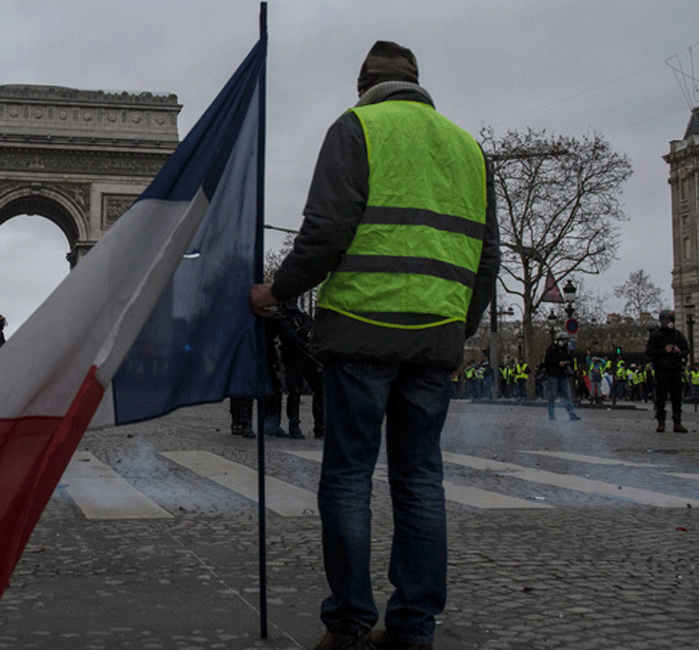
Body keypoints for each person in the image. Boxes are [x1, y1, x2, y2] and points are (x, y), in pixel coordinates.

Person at [249, 41, 500, 650]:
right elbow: (487, 259)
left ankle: (350, 621)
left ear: (364, 85)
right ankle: (414, 626)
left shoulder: (356, 127)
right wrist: (455, 329)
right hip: (434, 339)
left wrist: (277, 290)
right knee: (420, 481)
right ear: (419, 83)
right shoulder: (469, 148)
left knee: (348, 478)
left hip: (361, 329)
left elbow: (326, 231)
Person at [277, 299, 325, 438]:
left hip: (307, 356)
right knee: (295, 390)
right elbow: (287, 333)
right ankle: (294, 426)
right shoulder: (282, 314)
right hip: (293, 355)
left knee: (320, 389)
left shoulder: (300, 313)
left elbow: (310, 325)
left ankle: (320, 425)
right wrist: (302, 342)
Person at [647, 309, 689, 433]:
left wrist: (679, 351)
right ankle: (661, 422)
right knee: (661, 397)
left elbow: (686, 350)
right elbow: (649, 351)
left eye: (669, 320)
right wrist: (664, 351)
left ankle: (677, 422)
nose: (667, 323)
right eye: (664, 320)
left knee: (677, 398)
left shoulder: (677, 335)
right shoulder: (656, 335)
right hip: (661, 370)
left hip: (675, 369)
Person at [541, 332, 581, 422]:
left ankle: (571, 414)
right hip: (553, 375)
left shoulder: (567, 350)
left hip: (563, 375)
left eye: (567, 340)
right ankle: (551, 414)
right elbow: (548, 361)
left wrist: (568, 366)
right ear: (559, 340)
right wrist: (558, 363)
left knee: (567, 395)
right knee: (553, 395)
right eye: (564, 340)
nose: (566, 342)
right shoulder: (552, 349)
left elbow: (570, 360)